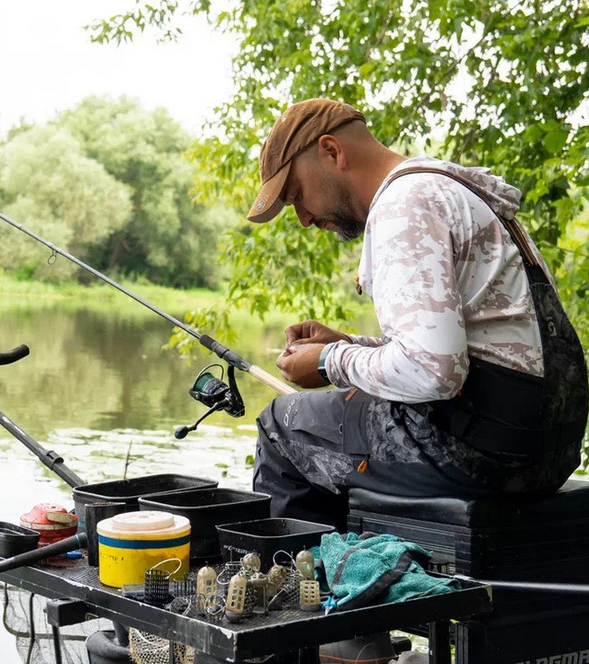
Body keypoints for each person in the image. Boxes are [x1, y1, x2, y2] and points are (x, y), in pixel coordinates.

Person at [248, 98, 588, 532]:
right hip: (550, 447)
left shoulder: (403, 205)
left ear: (332, 152)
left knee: (282, 427)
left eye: (297, 195)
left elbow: (434, 373)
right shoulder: (449, 189)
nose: (304, 218)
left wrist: (327, 361)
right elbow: (463, 350)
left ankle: (310, 587)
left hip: (486, 451)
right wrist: (348, 346)